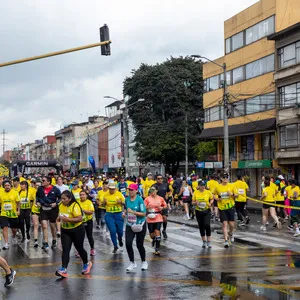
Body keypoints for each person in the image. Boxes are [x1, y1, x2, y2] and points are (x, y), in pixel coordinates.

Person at [55, 190, 92, 278]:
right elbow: (60, 215)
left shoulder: (75, 206)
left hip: (77, 230)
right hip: (65, 230)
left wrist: (68, 220)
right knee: (65, 249)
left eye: (64, 199)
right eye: (61, 198)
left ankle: (86, 263)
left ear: (69, 199)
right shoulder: (60, 205)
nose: (62, 200)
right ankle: (64, 269)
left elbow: (79, 219)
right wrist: (59, 218)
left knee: (79, 248)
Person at [124, 183, 147, 272]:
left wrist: (133, 212)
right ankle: (132, 262)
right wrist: (124, 213)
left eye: (132, 190)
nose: (130, 191)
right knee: (128, 243)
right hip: (130, 224)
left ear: (136, 191)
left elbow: (144, 213)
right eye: (129, 190)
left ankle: (144, 261)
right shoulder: (127, 200)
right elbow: (126, 209)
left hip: (140, 224)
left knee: (139, 244)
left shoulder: (140, 200)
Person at [36, 176, 61, 251]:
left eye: (43, 180)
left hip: (53, 209)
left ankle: (54, 240)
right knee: (44, 225)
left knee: (52, 226)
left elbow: (60, 198)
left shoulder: (55, 189)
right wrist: (37, 202)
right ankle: (46, 242)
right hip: (43, 209)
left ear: (48, 182)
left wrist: (56, 203)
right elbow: (37, 196)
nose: (42, 182)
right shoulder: (40, 188)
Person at [215, 173, 237, 248]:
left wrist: (232, 194)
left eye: (227, 177)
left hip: (230, 206)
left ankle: (231, 233)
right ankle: (226, 240)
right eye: (224, 177)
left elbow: (237, 195)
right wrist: (217, 198)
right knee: (224, 224)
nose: (225, 179)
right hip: (222, 208)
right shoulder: (218, 187)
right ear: (221, 178)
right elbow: (213, 194)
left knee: (231, 224)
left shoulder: (232, 185)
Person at [102, 182, 125, 253]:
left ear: (115, 188)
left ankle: (120, 239)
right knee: (112, 230)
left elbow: (125, 203)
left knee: (120, 231)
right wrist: (104, 202)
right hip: (109, 215)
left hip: (118, 214)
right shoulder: (105, 195)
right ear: (108, 188)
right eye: (110, 189)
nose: (112, 190)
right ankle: (115, 245)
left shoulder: (119, 194)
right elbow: (102, 204)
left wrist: (120, 202)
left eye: (113, 189)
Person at [144, 186, 167, 256]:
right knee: (151, 234)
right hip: (150, 217)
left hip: (158, 217)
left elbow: (165, 206)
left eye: (154, 191)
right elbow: (143, 207)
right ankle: (154, 239)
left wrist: (162, 208)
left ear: (156, 191)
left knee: (157, 231)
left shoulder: (160, 198)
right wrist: (147, 207)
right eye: (151, 191)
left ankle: (157, 249)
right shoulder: (147, 198)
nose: (152, 193)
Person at [192, 181, 214, 248]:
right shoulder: (195, 192)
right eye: (201, 185)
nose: (203, 186)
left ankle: (209, 241)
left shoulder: (208, 192)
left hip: (206, 211)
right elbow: (192, 202)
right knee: (201, 226)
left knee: (207, 225)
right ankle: (204, 241)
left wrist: (210, 203)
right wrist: (196, 202)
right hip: (198, 211)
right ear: (198, 186)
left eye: (204, 185)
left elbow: (212, 198)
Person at [0, 180, 20, 250]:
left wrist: (18, 210)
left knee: (14, 229)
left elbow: (18, 202)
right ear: (4, 187)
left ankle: (14, 236)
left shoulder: (15, 193)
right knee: (4, 227)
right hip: (4, 213)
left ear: (10, 186)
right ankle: (6, 243)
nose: (7, 187)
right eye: (5, 186)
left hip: (13, 213)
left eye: (8, 185)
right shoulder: (1, 193)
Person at [152, 175, 170, 239]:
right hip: (156, 206)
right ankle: (157, 232)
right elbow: (151, 195)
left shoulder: (165, 185)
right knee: (157, 220)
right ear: (156, 179)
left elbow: (169, 191)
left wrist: (168, 195)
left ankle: (164, 230)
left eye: (161, 178)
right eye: (158, 178)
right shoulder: (154, 186)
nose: (160, 180)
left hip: (163, 204)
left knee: (164, 218)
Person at [78, 190, 95, 256]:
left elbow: (91, 212)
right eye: (81, 195)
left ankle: (92, 249)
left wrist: (83, 210)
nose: (82, 196)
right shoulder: (78, 202)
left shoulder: (89, 202)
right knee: (79, 237)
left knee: (89, 236)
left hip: (88, 221)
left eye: (83, 194)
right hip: (80, 222)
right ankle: (79, 250)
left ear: (86, 195)